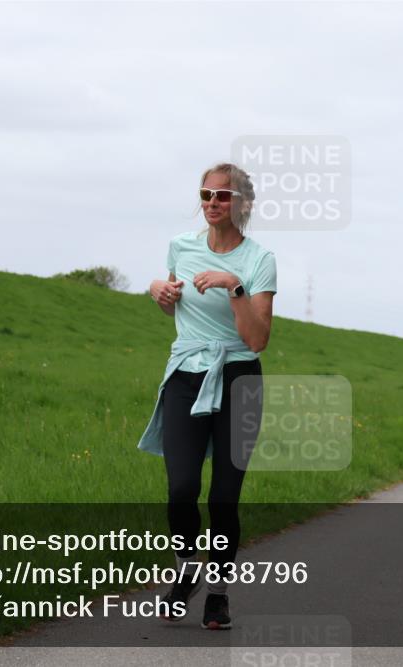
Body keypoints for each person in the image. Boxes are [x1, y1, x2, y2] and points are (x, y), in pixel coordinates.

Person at [139, 162, 277, 630]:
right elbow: (176, 305)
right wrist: (159, 292)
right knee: (181, 490)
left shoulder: (259, 261)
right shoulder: (181, 247)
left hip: (239, 379)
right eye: (206, 194)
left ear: (242, 204)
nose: (212, 203)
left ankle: (217, 594)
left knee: (222, 499)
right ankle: (186, 571)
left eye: (222, 196)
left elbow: (258, 339)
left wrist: (233, 286)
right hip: (185, 375)